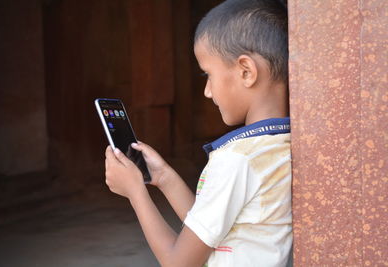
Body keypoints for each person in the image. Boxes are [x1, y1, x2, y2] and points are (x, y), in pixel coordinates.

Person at [104, 0, 292, 266]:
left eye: (209, 74)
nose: (207, 91)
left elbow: (178, 262)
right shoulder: (282, 144)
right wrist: (165, 178)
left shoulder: (236, 159)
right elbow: (211, 224)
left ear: (246, 71)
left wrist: (135, 192)